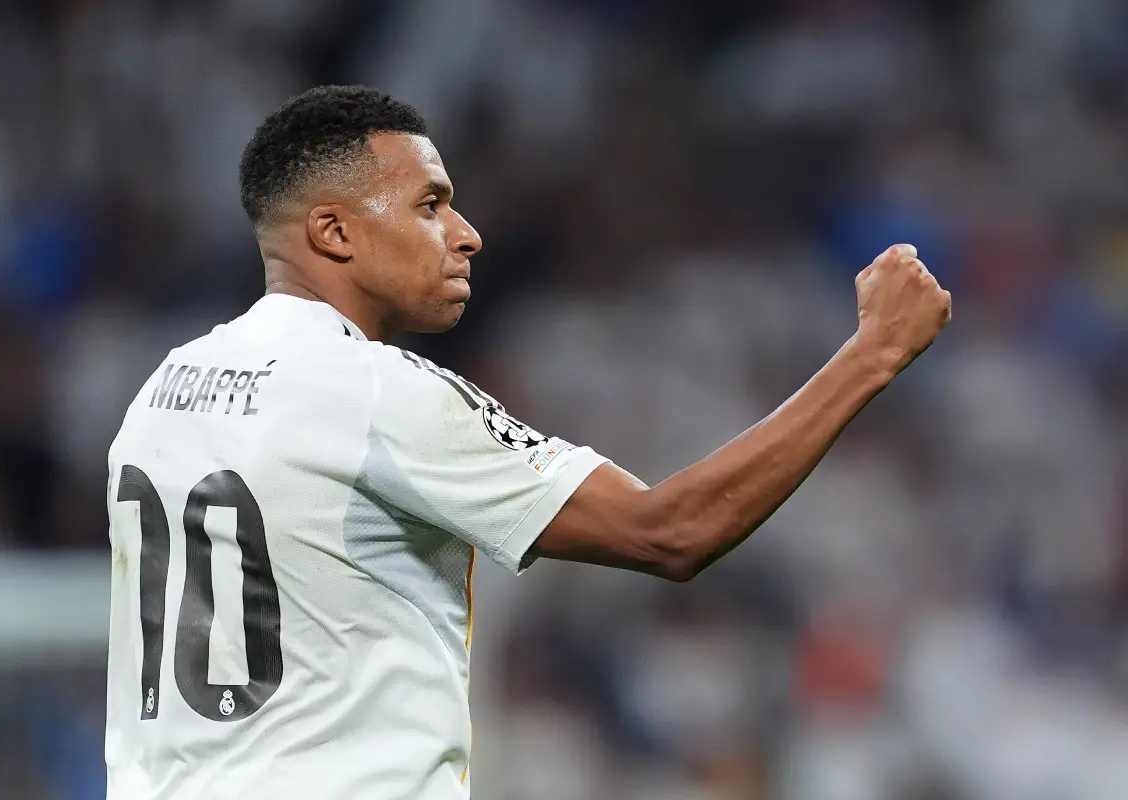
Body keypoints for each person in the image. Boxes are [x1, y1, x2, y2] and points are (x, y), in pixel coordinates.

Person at [104, 85, 951, 799]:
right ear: (334, 232)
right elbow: (670, 530)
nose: (466, 232)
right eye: (429, 205)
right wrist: (872, 353)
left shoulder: (165, 391)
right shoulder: (372, 391)